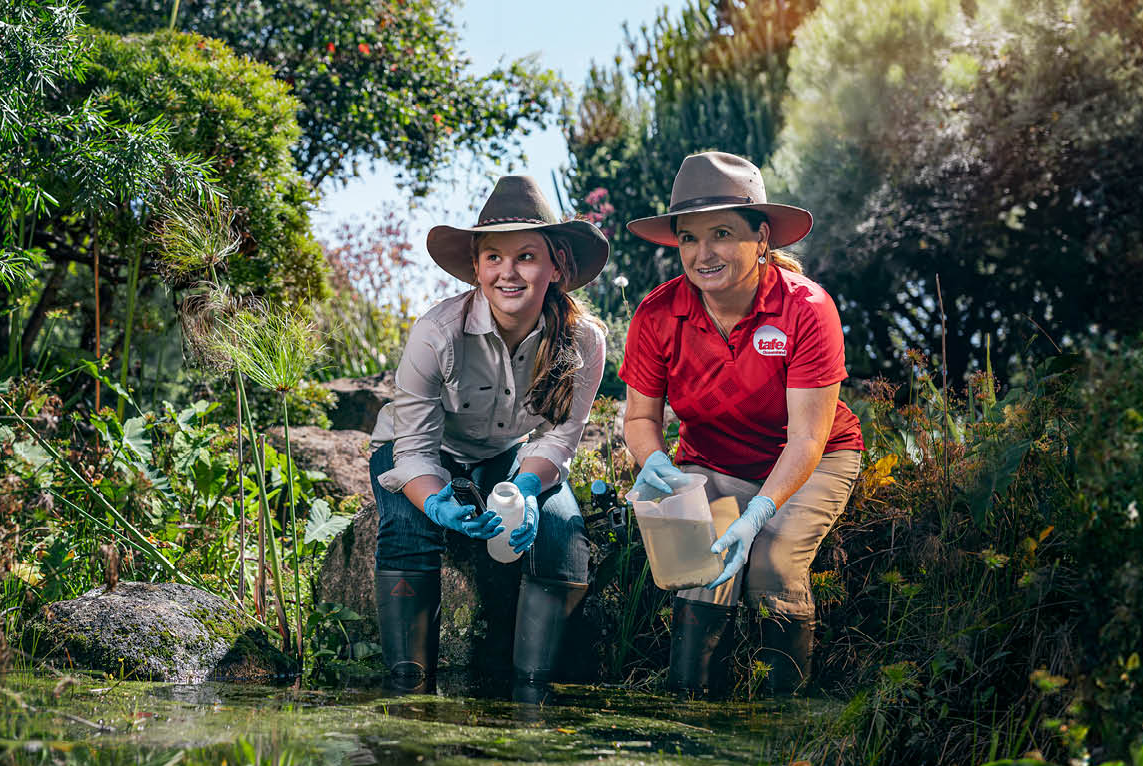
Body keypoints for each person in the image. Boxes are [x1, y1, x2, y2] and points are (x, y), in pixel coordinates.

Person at [619, 151, 864, 696]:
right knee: (698, 568)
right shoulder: (657, 314)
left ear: (761, 238)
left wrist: (757, 513)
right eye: (688, 238)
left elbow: (807, 437)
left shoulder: (806, 308)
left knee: (772, 563)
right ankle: (691, 715)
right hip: (711, 462)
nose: (702, 254)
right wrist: (656, 463)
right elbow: (639, 416)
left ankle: (785, 720)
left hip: (815, 457)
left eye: (722, 233)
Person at [369, 175, 610, 702]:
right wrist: (435, 501)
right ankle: (407, 695)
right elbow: (410, 448)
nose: (508, 272)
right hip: (422, 451)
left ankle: (532, 695)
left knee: (562, 530)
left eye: (526, 256)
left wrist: (524, 490)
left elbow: (559, 440)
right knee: (408, 527)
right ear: (476, 267)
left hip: (506, 459)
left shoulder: (585, 340)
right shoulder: (437, 332)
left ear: (556, 266)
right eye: (494, 258)